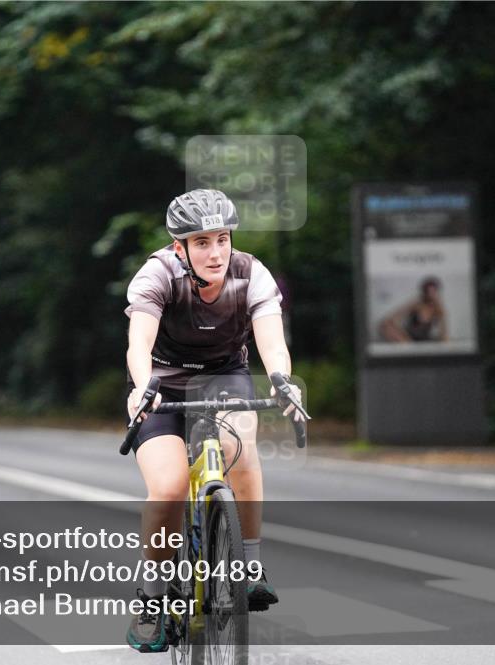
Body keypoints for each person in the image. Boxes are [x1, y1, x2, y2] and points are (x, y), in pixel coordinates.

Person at [123, 188, 305, 653]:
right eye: (201, 242)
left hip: (224, 376)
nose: (215, 252)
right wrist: (143, 389)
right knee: (168, 488)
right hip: (161, 384)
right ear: (179, 247)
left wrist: (282, 381)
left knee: (237, 445)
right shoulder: (157, 274)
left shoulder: (251, 273)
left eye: (222, 239)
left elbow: (271, 342)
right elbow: (138, 344)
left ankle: (249, 566)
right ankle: (152, 599)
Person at [379, 276, 448, 343]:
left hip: (424, 340)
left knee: (444, 339)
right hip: (408, 339)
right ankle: (408, 346)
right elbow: (393, 317)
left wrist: (441, 312)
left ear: (437, 292)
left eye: (433, 292)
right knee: (385, 325)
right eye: (428, 292)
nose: (430, 295)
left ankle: (410, 346)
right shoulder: (416, 304)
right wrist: (397, 329)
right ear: (424, 292)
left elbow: (443, 333)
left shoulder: (438, 309)